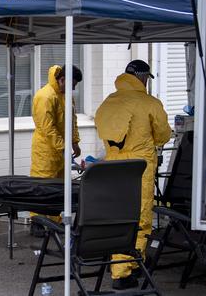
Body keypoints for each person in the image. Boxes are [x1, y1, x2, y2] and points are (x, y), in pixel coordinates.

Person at [94, 60, 172, 290]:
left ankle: (127, 263)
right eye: (147, 78)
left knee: (116, 216)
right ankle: (124, 271)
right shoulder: (149, 103)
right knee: (138, 218)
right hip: (139, 167)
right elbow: (163, 134)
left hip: (112, 166)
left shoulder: (110, 101)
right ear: (143, 77)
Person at [29, 65, 83, 233]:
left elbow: (72, 119)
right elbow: (47, 128)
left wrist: (74, 142)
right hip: (45, 150)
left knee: (59, 186)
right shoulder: (45, 96)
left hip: (60, 150)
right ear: (62, 79)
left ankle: (53, 220)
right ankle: (37, 222)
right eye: (72, 84)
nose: (74, 88)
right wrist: (65, 146)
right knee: (43, 186)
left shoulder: (65, 96)